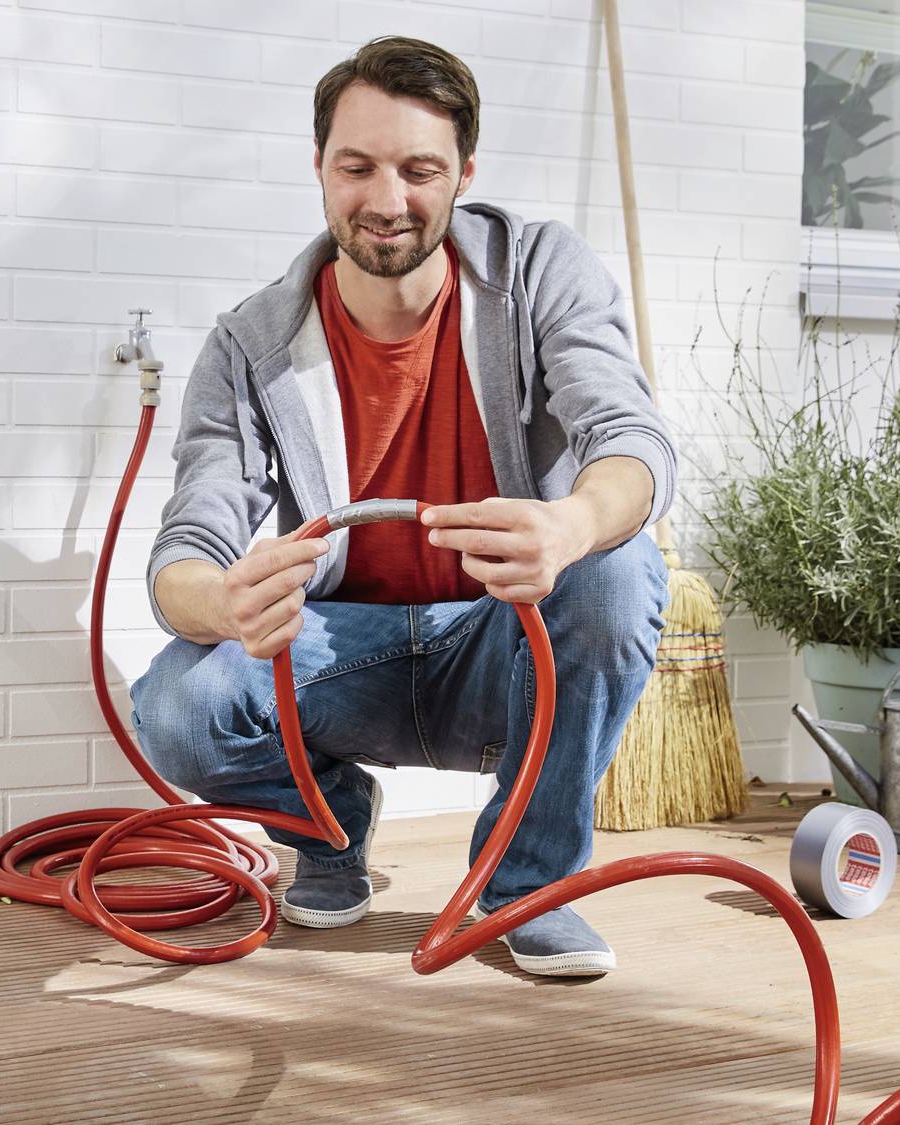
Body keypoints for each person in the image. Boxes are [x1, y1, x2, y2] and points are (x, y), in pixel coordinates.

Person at [130, 36, 673, 978]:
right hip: (345, 653)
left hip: (504, 645)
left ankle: (527, 884)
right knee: (180, 701)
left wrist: (569, 525)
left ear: (466, 171)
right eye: (358, 167)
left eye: (420, 169)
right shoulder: (250, 346)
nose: (387, 201)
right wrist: (226, 604)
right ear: (319, 169)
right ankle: (329, 828)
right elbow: (187, 548)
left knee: (619, 571)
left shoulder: (540, 271)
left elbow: (633, 442)